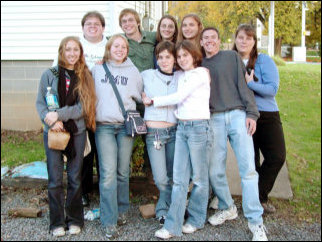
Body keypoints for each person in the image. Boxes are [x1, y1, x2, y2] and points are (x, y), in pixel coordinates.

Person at [200, 27, 268, 241]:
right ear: (201, 42)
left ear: (220, 41)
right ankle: (228, 206)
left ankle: (256, 223)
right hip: (214, 118)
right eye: (206, 38)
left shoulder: (231, 57)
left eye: (213, 37)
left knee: (248, 170)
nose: (210, 41)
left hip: (238, 115)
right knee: (215, 170)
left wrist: (252, 113)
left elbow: (243, 86)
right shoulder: (198, 64)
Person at [144, 40, 211, 239]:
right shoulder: (181, 74)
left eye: (185, 55)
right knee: (179, 179)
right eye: (179, 56)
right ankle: (172, 226)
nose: (182, 59)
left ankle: (197, 219)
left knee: (199, 178)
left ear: (194, 55)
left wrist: (153, 101)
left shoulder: (200, 74)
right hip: (181, 128)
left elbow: (180, 96)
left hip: (198, 127)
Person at [36, 36, 96, 237]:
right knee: (54, 179)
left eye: (75, 50)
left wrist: (59, 114)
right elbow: (40, 104)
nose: (71, 53)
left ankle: (75, 219)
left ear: (80, 53)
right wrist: (50, 119)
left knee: (74, 178)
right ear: (61, 51)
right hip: (53, 133)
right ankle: (56, 222)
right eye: (68, 49)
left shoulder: (85, 75)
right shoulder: (49, 74)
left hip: (76, 132)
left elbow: (84, 106)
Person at [53, 11, 107, 207]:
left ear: (103, 27)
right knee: (84, 153)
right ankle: (83, 192)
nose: (93, 27)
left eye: (97, 24)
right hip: (80, 110)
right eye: (88, 24)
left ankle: (105, 193)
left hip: (103, 110)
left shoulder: (109, 46)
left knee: (103, 155)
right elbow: (55, 76)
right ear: (83, 27)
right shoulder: (74, 46)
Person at [91, 34, 143, 238]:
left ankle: (122, 211)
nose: (120, 49)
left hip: (125, 126)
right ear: (109, 48)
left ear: (127, 50)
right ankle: (109, 220)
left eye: (123, 46)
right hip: (104, 126)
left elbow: (140, 95)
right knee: (108, 173)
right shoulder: (97, 69)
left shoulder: (133, 71)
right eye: (116, 46)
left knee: (122, 171)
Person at [233, 24, 286, 214]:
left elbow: (272, 90)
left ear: (254, 41)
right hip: (243, 116)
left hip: (267, 115)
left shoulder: (264, 61)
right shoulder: (232, 61)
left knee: (277, 156)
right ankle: (257, 202)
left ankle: (257, 195)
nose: (244, 41)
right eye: (240, 37)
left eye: (248, 38)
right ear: (235, 40)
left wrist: (251, 84)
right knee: (251, 162)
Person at [141, 41, 178, 225]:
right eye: (160, 57)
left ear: (174, 59)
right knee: (161, 178)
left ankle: (165, 209)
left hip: (175, 131)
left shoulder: (181, 77)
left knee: (173, 175)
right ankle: (172, 206)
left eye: (168, 57)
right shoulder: (147, 75)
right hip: (155, 133)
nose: (164, 61)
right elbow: (131, 87)